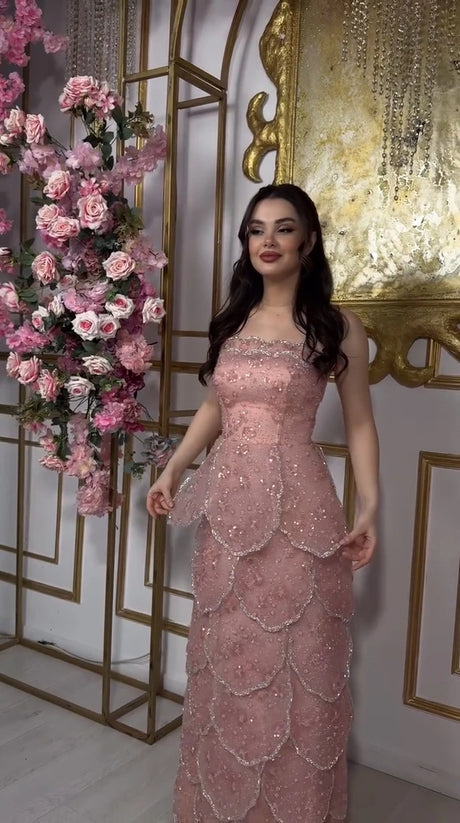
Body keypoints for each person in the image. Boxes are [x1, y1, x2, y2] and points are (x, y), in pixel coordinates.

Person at [147, 183, 379, 822]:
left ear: (308, 241)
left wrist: (370, 509)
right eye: (256, 229)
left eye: (283, 228)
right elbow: (217, 407)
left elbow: (359, 423)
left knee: (300, 660)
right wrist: (172, 471)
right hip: (229, 511)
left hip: (302, 512)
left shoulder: (335, 326)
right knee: (232, 657)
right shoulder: (234, 319)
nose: (268, 241)